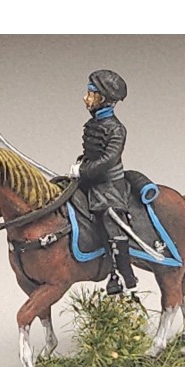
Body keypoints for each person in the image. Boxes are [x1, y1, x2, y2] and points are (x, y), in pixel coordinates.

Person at [69, 69, 138, 295]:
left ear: (104, 99)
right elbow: (92, 152)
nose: (86, 98)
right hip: (89, 178)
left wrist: (83, 170)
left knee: (111, 219)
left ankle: (123, 276)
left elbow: (108, 160)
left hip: (108, 185)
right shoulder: (93, 123)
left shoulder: (117, 129)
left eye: (91, 94)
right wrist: (81, 163)